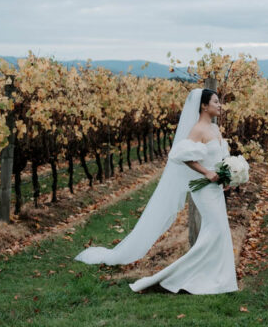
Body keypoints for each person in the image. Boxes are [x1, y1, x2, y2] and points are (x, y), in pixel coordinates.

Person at [74, 87, 238, 295]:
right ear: (204, 106)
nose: (219, 105)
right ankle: (173, 277)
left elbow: (220, 158)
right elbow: (183, 156)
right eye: (215, 102)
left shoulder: (215, 129)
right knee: (214, 231)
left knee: (219, 232)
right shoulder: (197, 130)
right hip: (204, 190)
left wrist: (226, 177)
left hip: (215, 188)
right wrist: (206, 173)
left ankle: (219, 277)